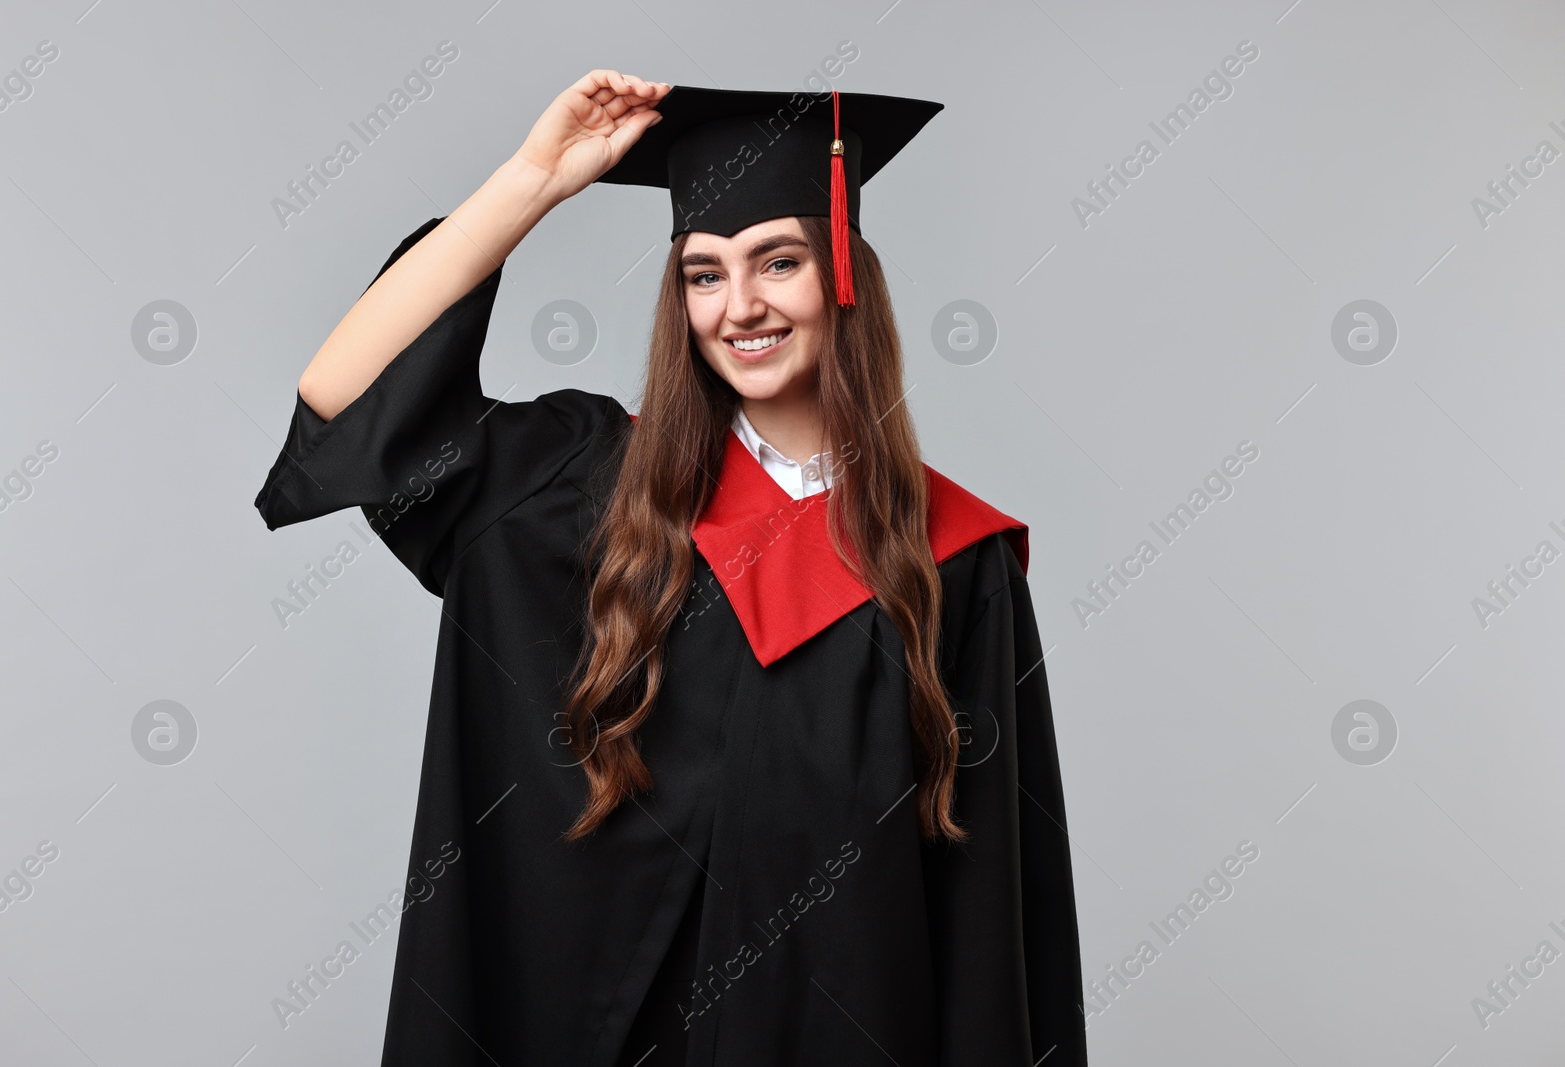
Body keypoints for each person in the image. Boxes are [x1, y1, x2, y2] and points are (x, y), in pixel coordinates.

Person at [255, 69, 1086, 1067]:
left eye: (777, 262)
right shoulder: (586, 486)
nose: (739, 305)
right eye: (703, 273)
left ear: (842, 276)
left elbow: (991, 907)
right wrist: (533, 179)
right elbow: (346, 400)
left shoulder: (955, 559)